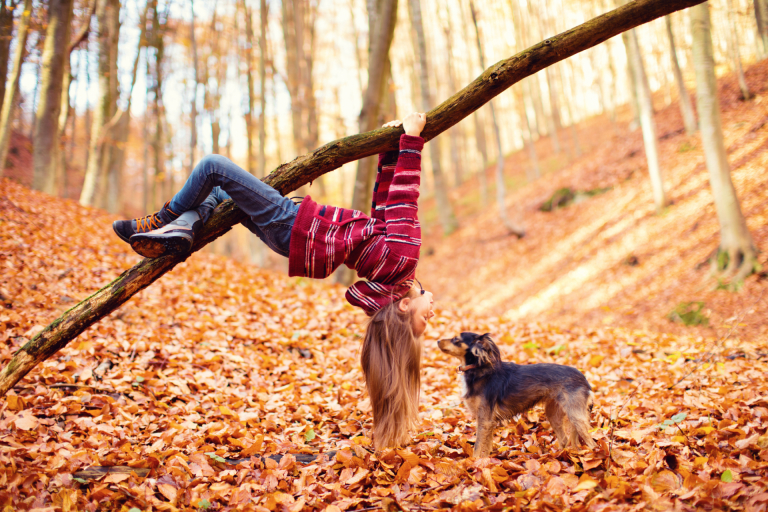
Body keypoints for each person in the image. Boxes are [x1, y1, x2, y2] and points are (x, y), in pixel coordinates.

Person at [113, 112, 434, 448]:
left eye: (425, 317)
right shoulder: (395, 272)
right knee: (222, 193)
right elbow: (384, 207)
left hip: (293, 225)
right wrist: (390, 151)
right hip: (292, 239)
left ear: (406, 304)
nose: (433, 311)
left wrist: (411, 142)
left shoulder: (403, 259)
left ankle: (161, 220)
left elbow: (403, 201)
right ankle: (183, 225)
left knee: (213, 167)